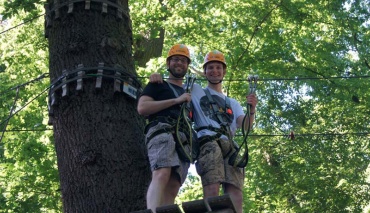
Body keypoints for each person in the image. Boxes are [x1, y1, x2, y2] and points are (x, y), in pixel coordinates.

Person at [150, 50, 258, 213]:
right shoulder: (195, 89)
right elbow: (175, 80)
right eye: (210, 68)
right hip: (208, 140)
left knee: (236, 191)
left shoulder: (232, 103)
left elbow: (246, 126)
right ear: (205, 71)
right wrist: (156, 76)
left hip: (230, 144)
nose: (215, 71)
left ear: (224, 72)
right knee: (212, 185)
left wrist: (252, 109)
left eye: (218, 68)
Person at [137, 44, 193, 212]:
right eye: (175, 59)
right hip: (162, 130)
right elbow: (142, 108)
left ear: (187, 66)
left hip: (183, 139)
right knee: (162, 172)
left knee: (175, 182)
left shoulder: (191, 92)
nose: (179, 63)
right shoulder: (158, 84)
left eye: (183, 61)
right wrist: (176, 101)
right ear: (168, 64)